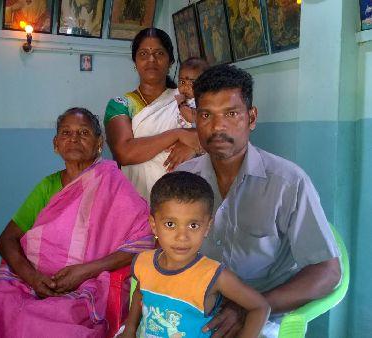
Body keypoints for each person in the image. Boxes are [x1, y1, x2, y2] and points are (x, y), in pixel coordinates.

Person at [0, 107, 154, 338]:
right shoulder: (47, 186)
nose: (74, 138)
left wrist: (85, 271)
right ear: (56, 144)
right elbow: (6, 240)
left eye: (83, 132)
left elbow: (143, 243)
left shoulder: (114, 185)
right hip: (29, 279)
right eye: (66, 133)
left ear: (99, 143)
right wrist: (33, 278)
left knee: (43, 326)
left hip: (87, 283)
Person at [176, 64, 341, 338]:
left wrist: (250, 307)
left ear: (251, 118)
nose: (217, 127)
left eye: (231, 113)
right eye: (207, 114)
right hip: (194, 310)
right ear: (196, 119)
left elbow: (327, 271)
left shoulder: (288, 183)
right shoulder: (183, 179)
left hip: (265, 315)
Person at [118, 172, 270, 338]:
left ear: (207, 227)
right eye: (170, 224)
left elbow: (260, 307)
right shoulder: (143, 262)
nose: (182, 237)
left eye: (193, 225)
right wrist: (130, 329)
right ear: (154, 225)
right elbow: (140, 292)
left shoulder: (215, 276)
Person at [104, 27, 201, 201]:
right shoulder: (120, 105)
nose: (151, 59)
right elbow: (125, 153)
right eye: (143, 54)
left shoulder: (187, 98)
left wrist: (193, 146)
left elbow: (214, 136)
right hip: (135, 202)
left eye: (159, 53)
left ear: (170, 60)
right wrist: (177, 135)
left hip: (185, 200)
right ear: (134, 62)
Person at [175, 57, 210, 128]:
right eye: (182, 82)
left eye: (191, 83)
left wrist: (181, 104)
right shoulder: (186, 98)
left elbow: (191, 117)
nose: (185, 87)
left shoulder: (201, 100)